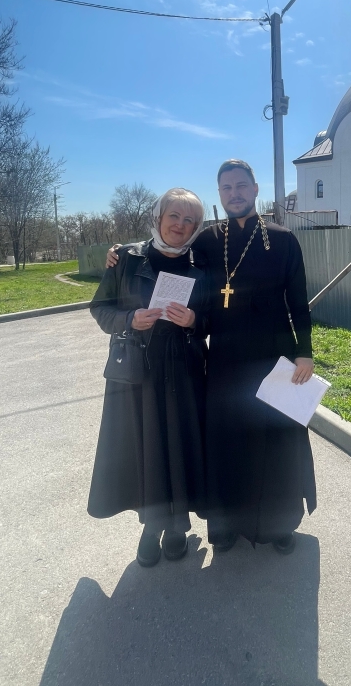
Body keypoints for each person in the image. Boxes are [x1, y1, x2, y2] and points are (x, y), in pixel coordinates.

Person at [107, 160, 316, 555]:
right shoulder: (206, 241)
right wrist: (120, 251)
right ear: (220, 193)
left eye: (241, 186)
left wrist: (304, 352)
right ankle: (225, 524)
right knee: (226, 442)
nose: (235, 194)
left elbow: (298, 301)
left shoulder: (283, 239)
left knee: (278, 440)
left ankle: (279, 524)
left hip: (274, 357)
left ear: (255, 189)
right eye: (226, 188)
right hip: (223, 358)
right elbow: (166, 249)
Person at [88, 188, 208, 567]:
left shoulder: (200, 263)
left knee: (180, 446)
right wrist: (129, 319)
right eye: (174, 216)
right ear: (158, 217)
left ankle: (176, 528)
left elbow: (214, 317)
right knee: (148, 449)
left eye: (190, 220)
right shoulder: (126, 258)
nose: (180, 225)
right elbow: (100, 308)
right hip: (138, 372)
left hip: (184, 371)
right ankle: (151, 527)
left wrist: (195, 320)